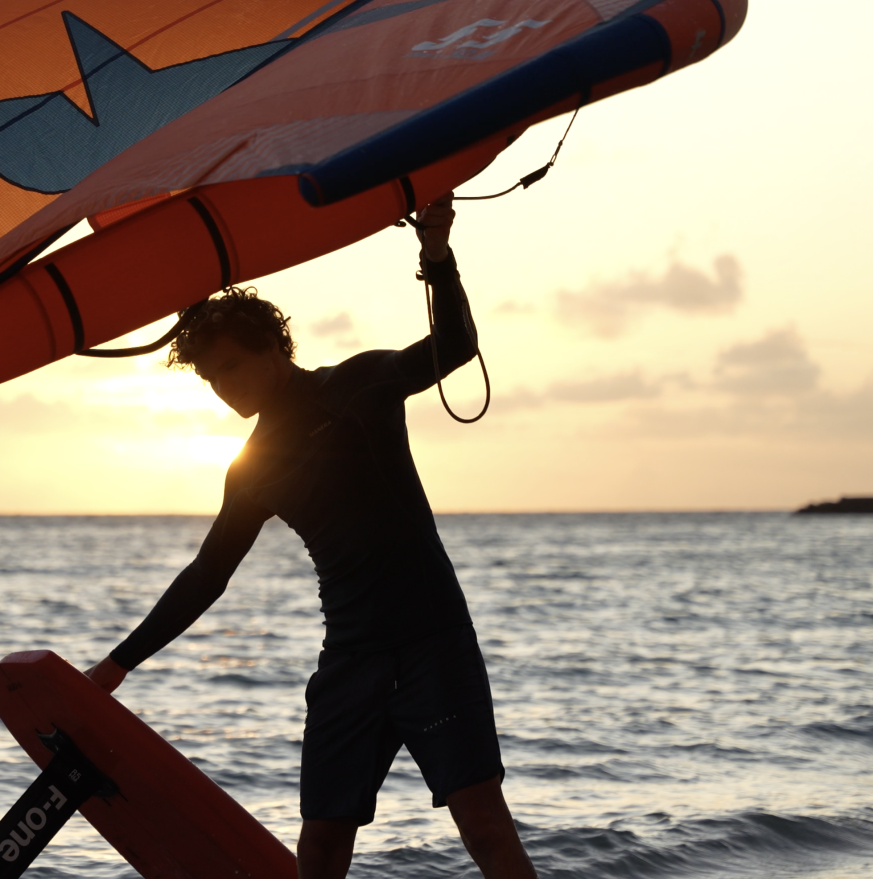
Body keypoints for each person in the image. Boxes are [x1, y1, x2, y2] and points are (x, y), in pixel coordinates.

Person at [84, 197, 538, 879]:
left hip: (431, 642)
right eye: (209, 378)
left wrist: (436, 256)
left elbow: (456, 347)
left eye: (230, 367)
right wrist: (117, 666)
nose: (221, 388)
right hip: (350, 659)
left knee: (482, 822)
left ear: (274, 348)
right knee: (321, 847)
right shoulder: (252, 468)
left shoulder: (359, 387)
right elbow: (207, 576)